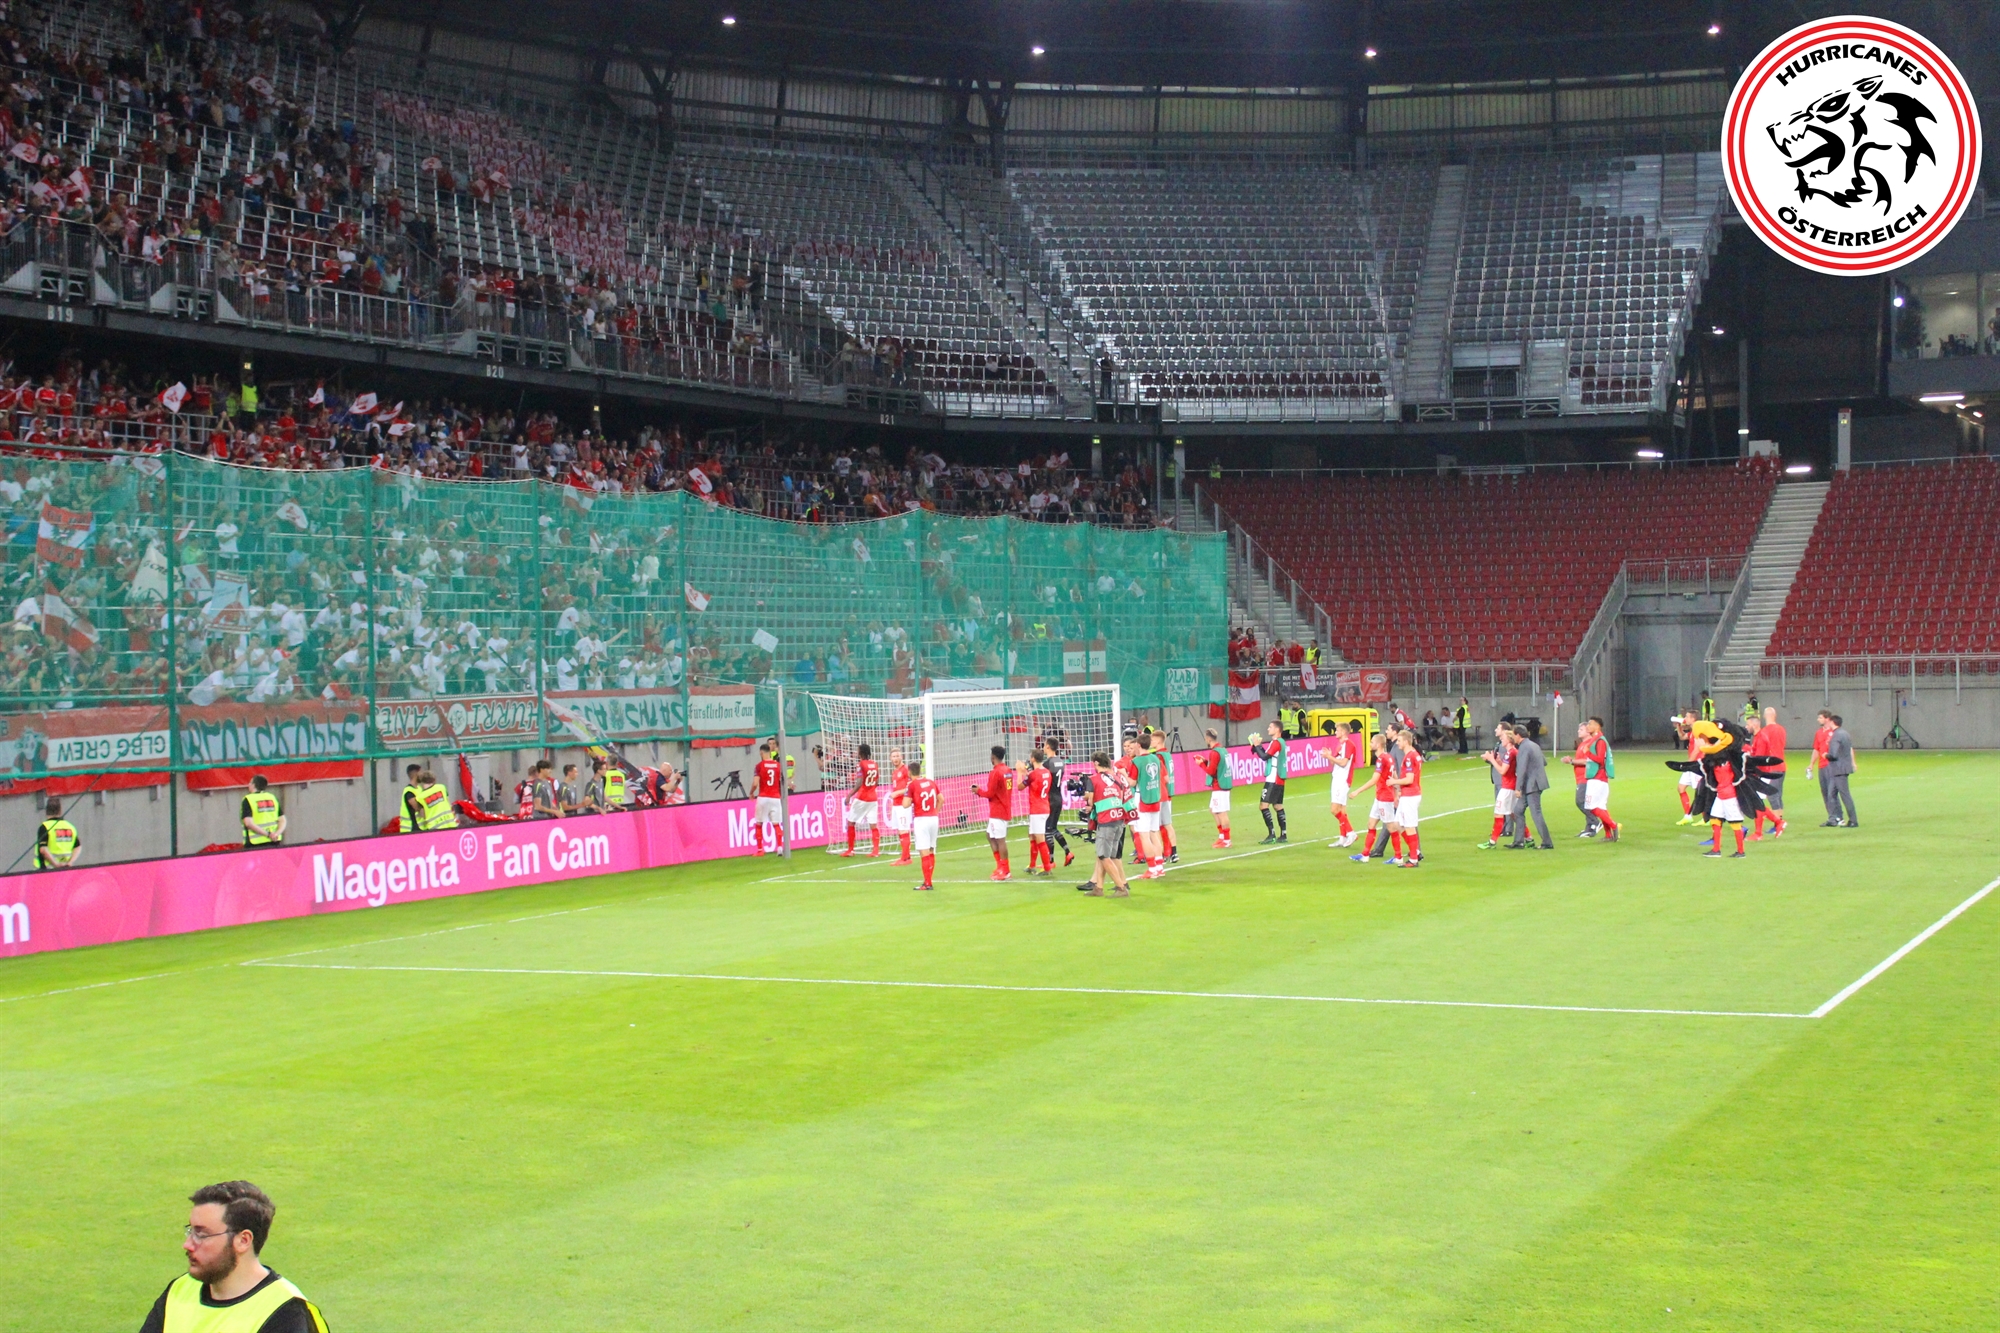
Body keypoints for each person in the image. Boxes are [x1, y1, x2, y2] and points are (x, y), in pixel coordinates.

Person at [138, 1180, 327, 1333]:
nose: (187, 1244)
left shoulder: (285, 1312)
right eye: (191, 1232)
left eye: (202, 1235)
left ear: (243, 1240)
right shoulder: (180, 1290)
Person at [1079, 749, 1133, 898]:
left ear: (1096, 763)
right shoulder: (1117, 777)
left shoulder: (1094, 779)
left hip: (1106, 820)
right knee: (1107, 855)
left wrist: (1086, 799)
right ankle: (1099, 887)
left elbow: (1090, 801)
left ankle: (1121, 888)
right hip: (1119, 818)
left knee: (1103, 855)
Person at [1350, 731, 1397, 864]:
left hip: (1385, 798)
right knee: (1371, 824)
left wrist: (1357, 791)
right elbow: (1394, 775)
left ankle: (1398, 856)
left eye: (1372, 742)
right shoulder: (1388, 757)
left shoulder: (1382, 759)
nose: (1370, 744)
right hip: (1380, 796)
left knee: (1391, 827)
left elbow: (1374, 780)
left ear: (1379, 744)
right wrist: (1397, 791)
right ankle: (1365, 854)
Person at [1507, 724, 1553, 850]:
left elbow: (1521, 769)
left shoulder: (1524, 747)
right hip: (1533, 783)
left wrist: (1518, 788)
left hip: (1531, 785)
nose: (1513, 738)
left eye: (1513, 735)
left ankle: (1547, 842)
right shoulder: (1534, 745)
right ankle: (1519, 841)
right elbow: (1544, 762)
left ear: (1518, 735)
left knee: (1536, 813)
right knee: (1518, 811)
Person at [971, 744, 1013, 880]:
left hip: (998, 810)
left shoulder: (995, 772)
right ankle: (1000, 866)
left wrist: (978, 791)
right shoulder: (1008, 770)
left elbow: (990, 793)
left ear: (993, 757)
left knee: (1000, 840)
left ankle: (1005, 871)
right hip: (1004, 807)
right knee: (990, 836)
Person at [1129, 734, 1167, 880]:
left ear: (1138, 745)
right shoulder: (1156, 758)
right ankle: (1159, 867)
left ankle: (1151, 869)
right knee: (1154, 833)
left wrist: (1123, 774)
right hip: (1155, 798)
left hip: (1142, 799)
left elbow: (1132, 783)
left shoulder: (1137, 761)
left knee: (1144, 835)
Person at [1747, 708, 1788, 839]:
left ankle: (1777, 824)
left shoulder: (1764, 732)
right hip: (1781, 764)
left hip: (1769, 768)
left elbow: (1761, 755)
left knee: (1769, 797)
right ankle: (1778, 821)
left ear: (1765, 716)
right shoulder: (1781, 729)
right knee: (1777, 795)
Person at [1387, 725, 1424, 867]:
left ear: (1406, 742)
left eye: (1399, 741)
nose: (1397, 743)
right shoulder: (1414, 755)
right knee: (1397, 824)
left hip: (1411, 795)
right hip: (1407, 794)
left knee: (1409, 826)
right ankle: (1416, 851)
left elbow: (1409, 779)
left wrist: (1394, 782)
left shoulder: (1409, 757)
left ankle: (1413, 859)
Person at [1578, 716, 1619, 842]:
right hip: (1600, 778)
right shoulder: (1597, 739)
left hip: (1597, 778)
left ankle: (1613, 825)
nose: (1588, 726)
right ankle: (1608, 835)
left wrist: (1587, 752)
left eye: (1590, 724)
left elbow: (1600, 760)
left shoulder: (1600, 741)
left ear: (1597, 726)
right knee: (1601, 807)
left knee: (1592, 807)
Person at [1480, 726, 1521, 850]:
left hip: (1507, 787)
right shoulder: (1513, 751)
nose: (1501, 740)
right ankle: (1529, 838)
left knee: (1498, 814)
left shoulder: (1510, 753)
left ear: (1509, 740)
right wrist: (1497, 761)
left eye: (1503, 738)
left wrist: (1492, 760)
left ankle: (1492, 842)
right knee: (1514, 815)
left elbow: (1503, 771)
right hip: (1511, 786)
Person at [1038, 738, 1075, 868]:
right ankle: (1068, 852)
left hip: (1050, 798)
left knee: (1047, 830)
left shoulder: (1047, 764)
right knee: (1053, 828)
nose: (1043, 747)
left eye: (1044, 745)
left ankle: (1051, 861)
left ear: (1048, 747)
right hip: (1059, 797)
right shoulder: (1060, 762)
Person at [1327, 718, 1364, 847]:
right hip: (1337, 778)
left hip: (1342, 780)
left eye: (1337, 730)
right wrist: (1330, 756)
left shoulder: (1349, 744)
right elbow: (1334, 763)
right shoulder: (1339, 745)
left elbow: (1343, 763)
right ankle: (1342, 837)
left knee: (1334, 809)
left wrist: (1330, 757)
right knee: (1342, 810)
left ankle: (1351, 833)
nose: (1335, 732)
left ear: (1343, 732)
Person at [1021, 749, 1056, 876]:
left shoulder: (1033, 774)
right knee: (1032, 836)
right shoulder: (1046, 772)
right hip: (1044, 806)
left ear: (1033, 759)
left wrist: (1020, 772)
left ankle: (1047, 868)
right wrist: (1027, 773)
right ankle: (1032, 866)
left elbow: (1020, 786)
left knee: (1040, 839)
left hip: (1037, 810)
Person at [1196, 726, 1232, 848]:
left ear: (1208, 738)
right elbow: (1217, 766)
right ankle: (1222, 836)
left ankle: (1227, 840)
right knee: (1213, 809)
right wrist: (1206, 762)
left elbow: (1211, 771)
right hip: (1223, 784)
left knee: (1221, 812)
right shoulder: (1222, 750)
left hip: (1219, 785)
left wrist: (1201, 764)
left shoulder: (1215, 752)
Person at [843, 742, 881, 857]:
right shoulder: (874, 764)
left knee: (851, 822)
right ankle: (875, 851)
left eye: (858, 750)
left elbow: (859, 783)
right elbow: (877, 782)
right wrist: (870, 789)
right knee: (873, 825)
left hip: (862, 797)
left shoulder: (860, 765)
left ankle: (850, 850)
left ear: (861, 752)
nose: (856, 752)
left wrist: (849, 795)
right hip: (873, 798)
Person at [907, 759, 941, 890]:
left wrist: (907, 796)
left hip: (921, 820)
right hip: (934, 819)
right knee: (931, 850)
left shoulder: (912, 785)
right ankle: (928, 881)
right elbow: (941, 799)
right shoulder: (931, 782)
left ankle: (927, 883)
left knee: (924, 851)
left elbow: (905, 804)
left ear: (909, 772)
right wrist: (935, 812)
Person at [1251, 728, 1288, 843]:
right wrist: (1258, 747)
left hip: (1273, 778)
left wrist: (1257, 746)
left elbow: (1264, 757)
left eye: (1270, 727)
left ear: (1277, 729)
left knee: (1263, 806)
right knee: (1278, 806)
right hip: (1279, 778)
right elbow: (1267, 755)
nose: (1268, 729)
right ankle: (1283, 835)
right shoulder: (1280, 742)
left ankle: (1271, 834)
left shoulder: (1276, 742)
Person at [1821, 713, 1858, 827]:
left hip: (1838, 769)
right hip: (1842, 768)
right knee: (1831, 794)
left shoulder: (1836, 735)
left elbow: (1833, 754)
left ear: (1832, 722)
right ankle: (1834, 819)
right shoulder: (1845, 733)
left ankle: (1853, 820)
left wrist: (1825, 755)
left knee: (1844, 795)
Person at [1149, 729, 1179, 864]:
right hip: (1168, 793)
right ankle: (1173, 852)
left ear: (1158, 741)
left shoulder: (1159, 757)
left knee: (1159, 826)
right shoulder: (1167, 754)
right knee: (1167, 824)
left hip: (1161, 794)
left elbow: (1162, 777)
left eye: (1152, 739)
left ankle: (1165, 853)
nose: (1151, 742)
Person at [751, 741, 785, 855]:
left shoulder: (759, 766)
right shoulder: (778, 765)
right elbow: (781, 781)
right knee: (776, 824)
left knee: (759, 823)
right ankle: (779, 847)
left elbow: (755, 783)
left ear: (761, 753)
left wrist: (751, 793)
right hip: (775, 797)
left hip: (763, 797)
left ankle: (760, 850)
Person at [1566, 723, 1599, 837]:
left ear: (1588, 731)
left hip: (1585, 778)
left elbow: (1587, 761)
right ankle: (1590, 828)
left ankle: (1595, 822)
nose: (1578, 731)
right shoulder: (1582, 744)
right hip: (1581, 778)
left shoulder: (1589, 744)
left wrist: (1571, 761)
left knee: (1580, 801)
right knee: (1587, 803)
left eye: (1581, 729)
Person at [1673, 716, 1704, 824]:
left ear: (1693, 719)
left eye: (1687, 716)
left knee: (1700, 792)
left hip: (1696, 765)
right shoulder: (1692, 732)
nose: (1685, 718)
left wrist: (1688, 763)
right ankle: (1687, 815)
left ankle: (1706, 818)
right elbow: (1682, 737)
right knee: (1681, 788)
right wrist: (1679, 726)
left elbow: (1697, 750)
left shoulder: (1699, 733)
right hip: (1690, 765)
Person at [240, 776, 286, 847]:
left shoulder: (248, 799)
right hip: (274, 841)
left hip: (255, 843)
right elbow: (282, 820)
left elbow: (248, 823)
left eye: (250, 782)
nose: (248, 784)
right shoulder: (272, 797)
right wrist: (276, 834)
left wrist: (268, 835)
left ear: (254, 785)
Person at [35, 797, 79, 869]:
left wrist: (56, 864)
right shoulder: (70, 827)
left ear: (46, 811)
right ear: (60, 811)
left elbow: (43, 849)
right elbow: (77, 846)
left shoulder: (45, 827)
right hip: (66, 869)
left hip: (46, 870)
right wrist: (70, 862)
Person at [888, 747, 914, 865]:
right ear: (890, 758)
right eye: (893, 757)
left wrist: (897, 793)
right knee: (900, 830)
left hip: (904, 805)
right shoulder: (894, 772)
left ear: (901, 757)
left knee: (904, 829)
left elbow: (910, 787)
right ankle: (905, 856)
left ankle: (905, 859)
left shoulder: (906, 770)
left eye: (897, 756)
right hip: (896, 805)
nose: (895, 759)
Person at [397, 762, 425, 832]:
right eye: (420, 772)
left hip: (419, 826)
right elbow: (417, 808)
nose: (422, 775)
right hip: (410, 829)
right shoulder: (409, 791)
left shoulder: (419, 788)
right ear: (416, 773)